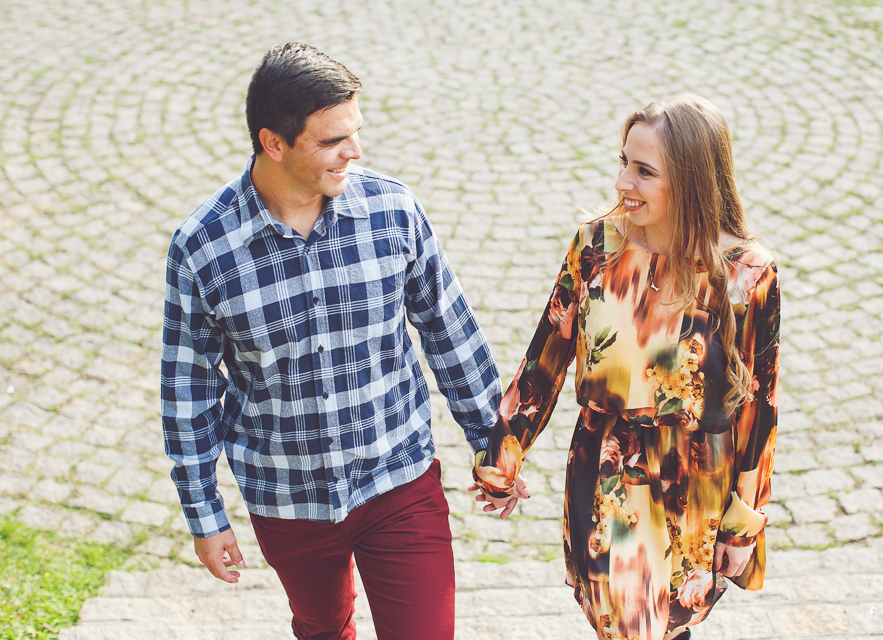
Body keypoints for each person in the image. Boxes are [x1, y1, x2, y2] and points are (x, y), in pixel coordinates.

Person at [161, 42, 507, 640]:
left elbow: (448, 329)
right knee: (322, 629)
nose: (355, 151)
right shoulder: (203, 248)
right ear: (274, 142)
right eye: (331, 141)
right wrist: (204, 514)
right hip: (287, 497)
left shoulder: (392, 211)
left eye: (356, 132)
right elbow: (188, 391)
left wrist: (493, 441)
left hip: (398, 479)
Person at [471, 94, 780, 640]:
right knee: (627, 625)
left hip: (694, 491)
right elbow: (543, 363)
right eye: (623, 162)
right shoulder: (596, 246)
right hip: (605, 472)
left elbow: (759, 407)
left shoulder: (745, 275)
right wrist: (503, 455)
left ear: (689, 180)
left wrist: (745, 522)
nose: (622, 183)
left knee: (660, 629)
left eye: (644, 171)